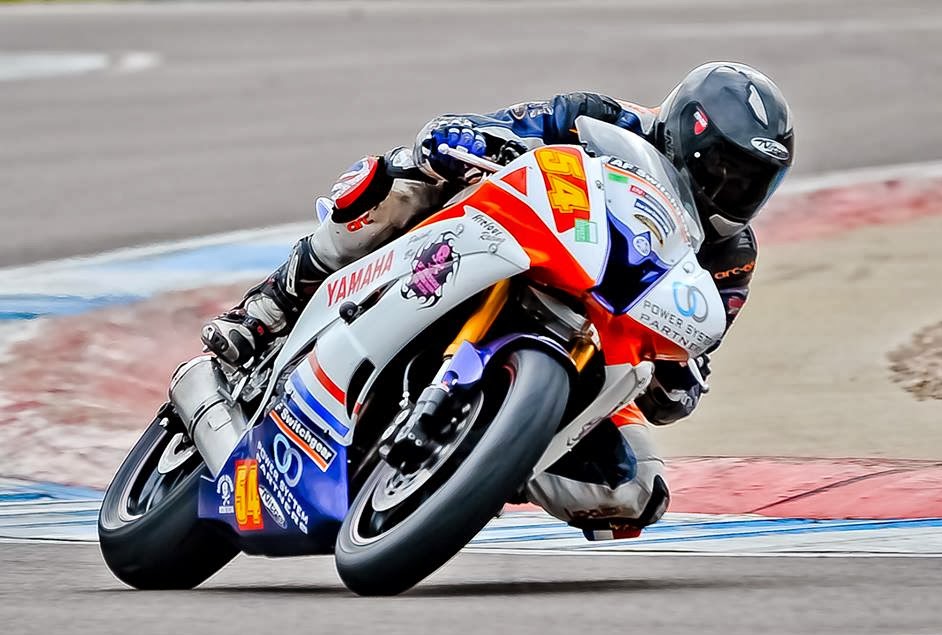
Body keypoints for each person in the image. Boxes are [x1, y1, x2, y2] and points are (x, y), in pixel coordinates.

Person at [201, 62, 794, 539]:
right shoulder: (602, 118)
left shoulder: (731, 258)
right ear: (688, 137)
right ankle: (267, 309)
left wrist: (679, 375)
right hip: (500, 245)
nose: (735, 191)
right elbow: (503, 127)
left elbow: (685, 364)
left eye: (753, 183)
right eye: (726, 169)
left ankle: (487, 459)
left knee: (640, 490)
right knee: (402, 179)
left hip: (589, 344)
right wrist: (466, 138)